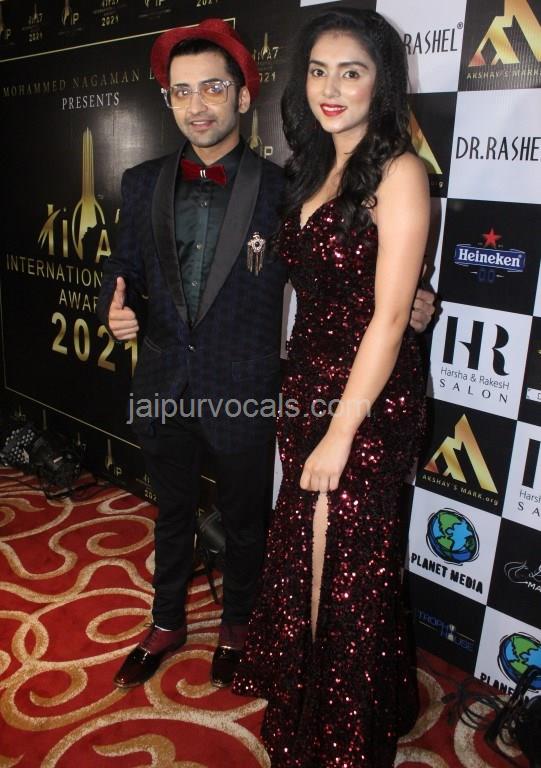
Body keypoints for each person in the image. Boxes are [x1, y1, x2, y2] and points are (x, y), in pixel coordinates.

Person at [96, 17, 435, 692]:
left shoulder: (287, 185)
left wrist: (413, 302)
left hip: (246, 387)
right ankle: (165, 621)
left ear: (243, 97)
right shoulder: (139, 182)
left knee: (249, 520)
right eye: (182, 91)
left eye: (213, 88)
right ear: (168, 100)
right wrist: (114, 307)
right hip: (162, 380)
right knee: (169, 511)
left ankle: (237, 627)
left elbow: (339, 267)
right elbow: (122, 266)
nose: (197, 105)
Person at [233, 8, 429, 768]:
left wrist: (341, 432)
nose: (331, 88)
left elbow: (389, 318)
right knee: (326, 558)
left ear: (382, 82)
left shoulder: (399, 171)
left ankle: (335, 736)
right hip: (306, 382)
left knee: (337, 568)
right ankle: (356, 700)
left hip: (366, 398)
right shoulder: (309, 168)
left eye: (352, 72)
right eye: (318, 71)